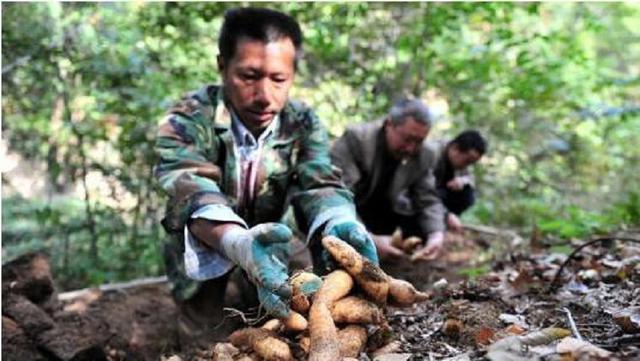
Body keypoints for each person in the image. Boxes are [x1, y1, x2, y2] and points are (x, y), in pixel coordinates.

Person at [154, 7, 377, 347]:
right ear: (222, 66)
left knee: (293, 324)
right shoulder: (188, 119)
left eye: (278, 79)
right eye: (249, 76)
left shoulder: (302, 122)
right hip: (207, 242)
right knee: (203, 339)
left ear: (293, 74)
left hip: (273, 241)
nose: (264, 95)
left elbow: (319, 180)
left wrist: (339, 218)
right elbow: (189, 186)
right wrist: (237, 243)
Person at [330, 99, 447, 262]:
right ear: (389, 124)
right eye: (407, 139)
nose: (411, 148)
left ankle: (392, 255)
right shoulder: (355, 140)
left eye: (419, 142)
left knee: (418, 221)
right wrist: (364, 237)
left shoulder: (426, 155)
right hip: (349, 208)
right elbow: (335, 195)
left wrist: (436, 234)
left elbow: (427, 198)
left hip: (384, 210)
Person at [429, 129, 487, 232]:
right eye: (467, 161)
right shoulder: (432, 153)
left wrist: (463, 180)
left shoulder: (461, 162)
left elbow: (470, 178)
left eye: (471, 163)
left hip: (440, 196)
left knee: (467, 194)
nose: (467, 165)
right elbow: (421, 191)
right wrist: (446, 214)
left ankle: (443, 225)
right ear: (455, 148)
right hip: (422, 197)